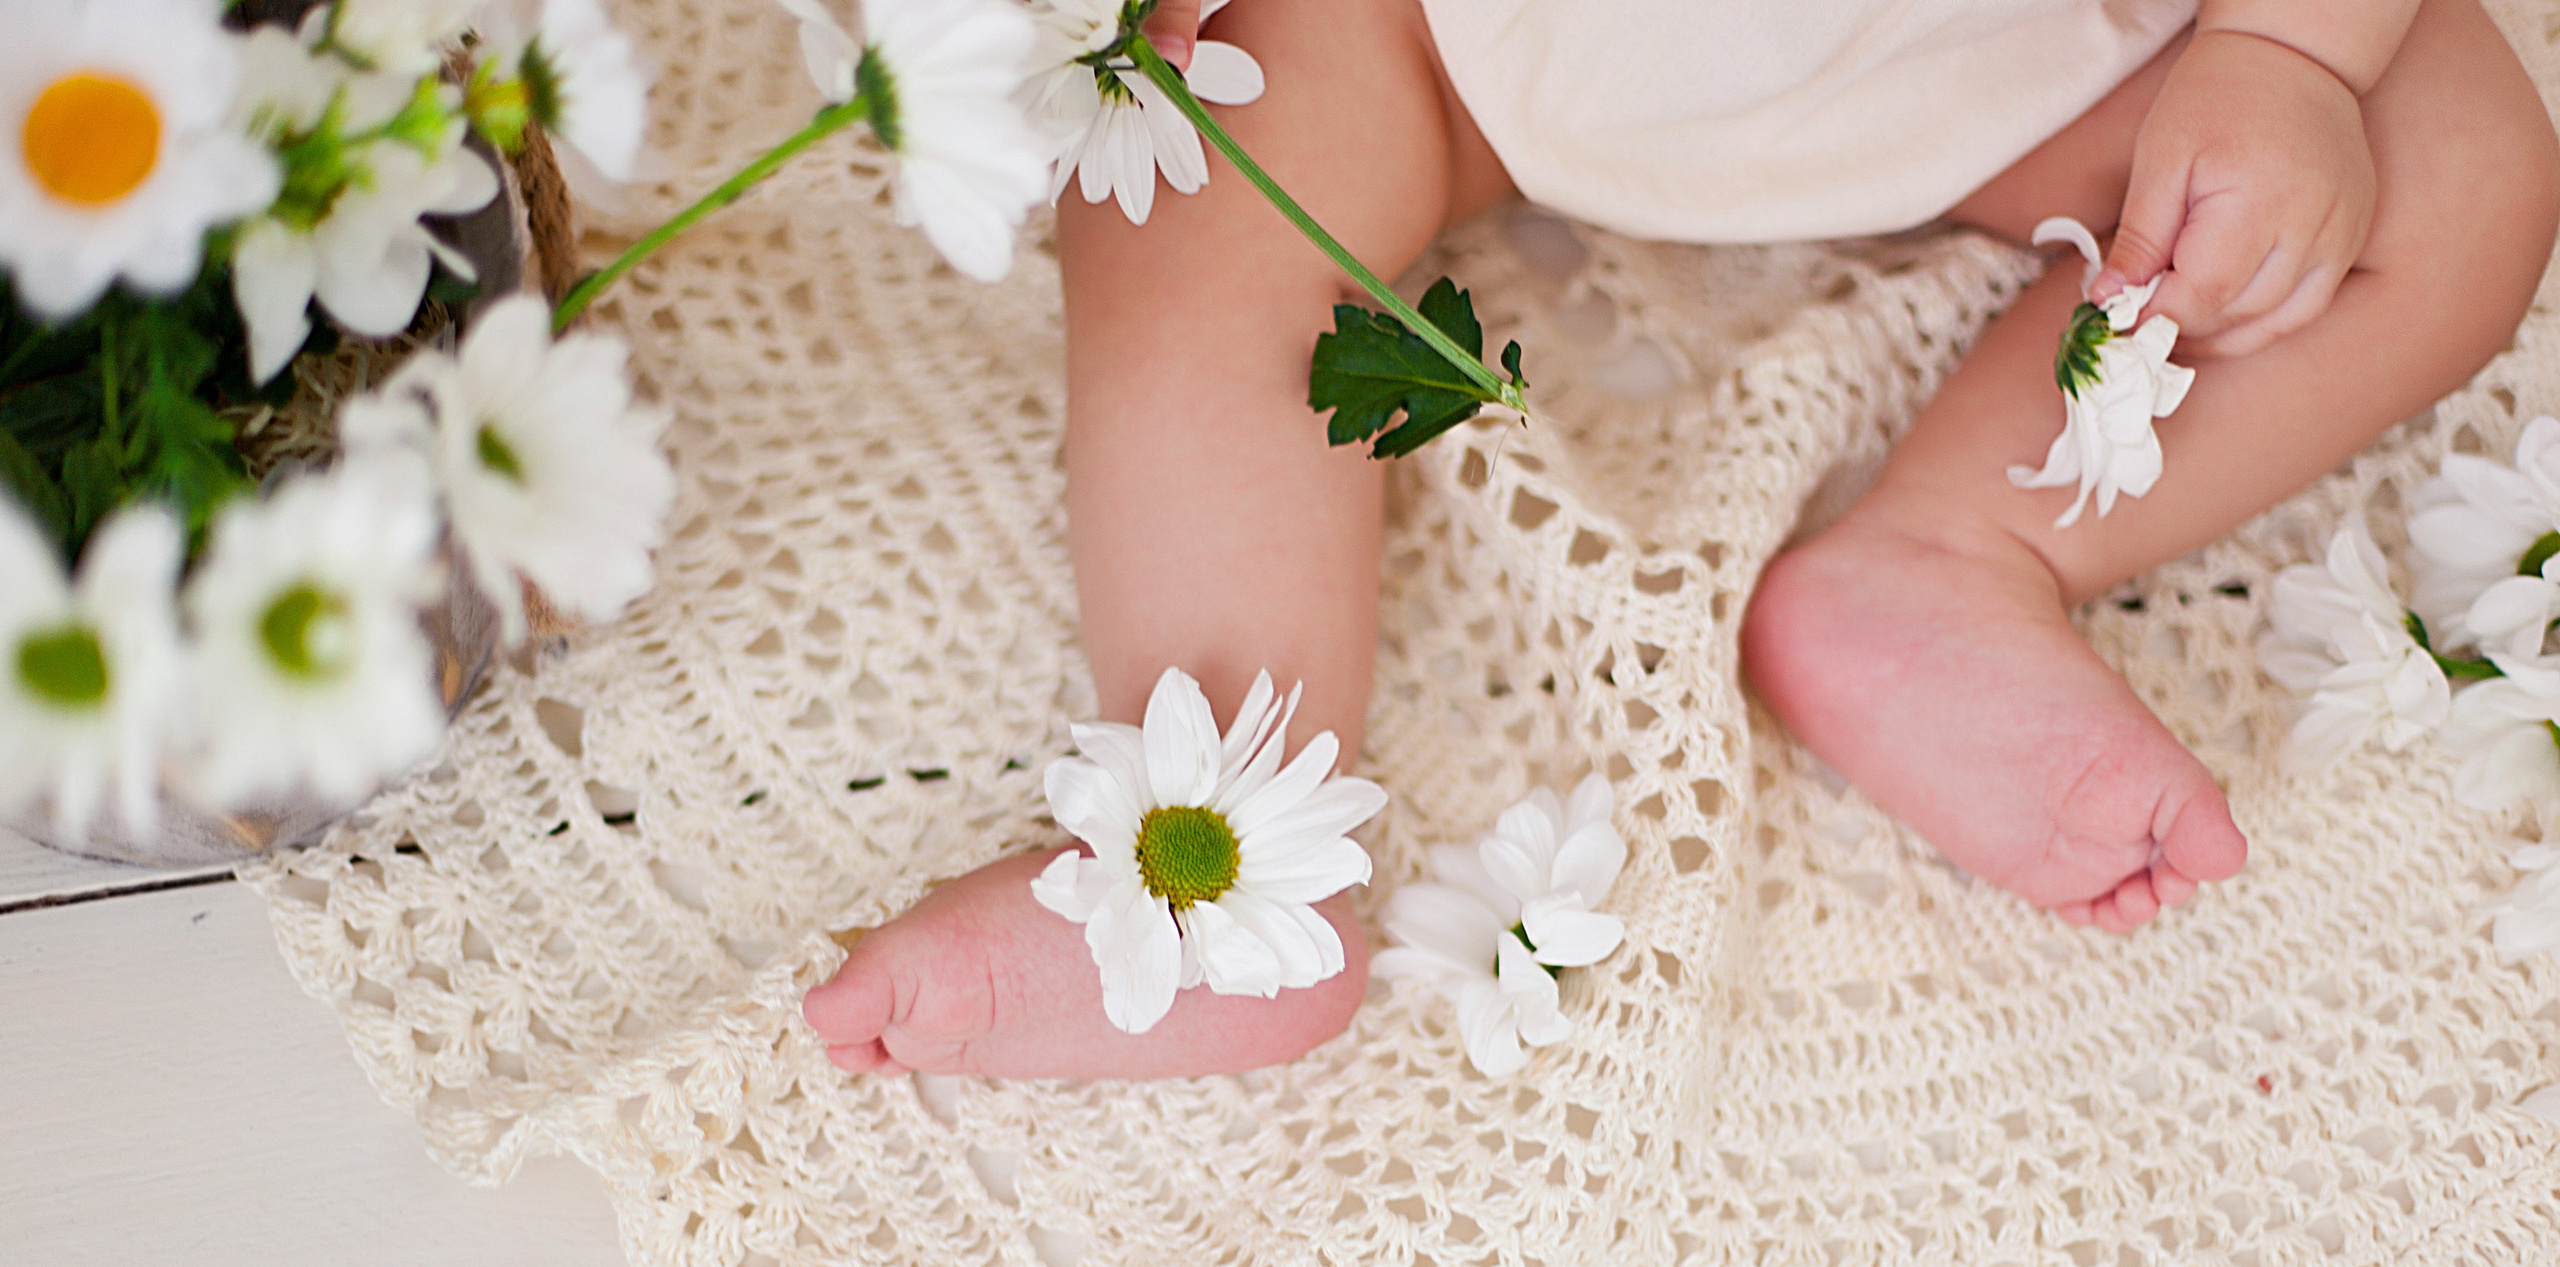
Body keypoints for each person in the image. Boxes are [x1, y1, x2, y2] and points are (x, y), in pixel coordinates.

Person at [804, 0, 2560, 1078]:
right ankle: (1239, 835)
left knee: (2455, 169)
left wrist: (2290, 52)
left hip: (2026, 53)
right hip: (1440, 35)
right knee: (1193, 191)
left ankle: (1955, 553)